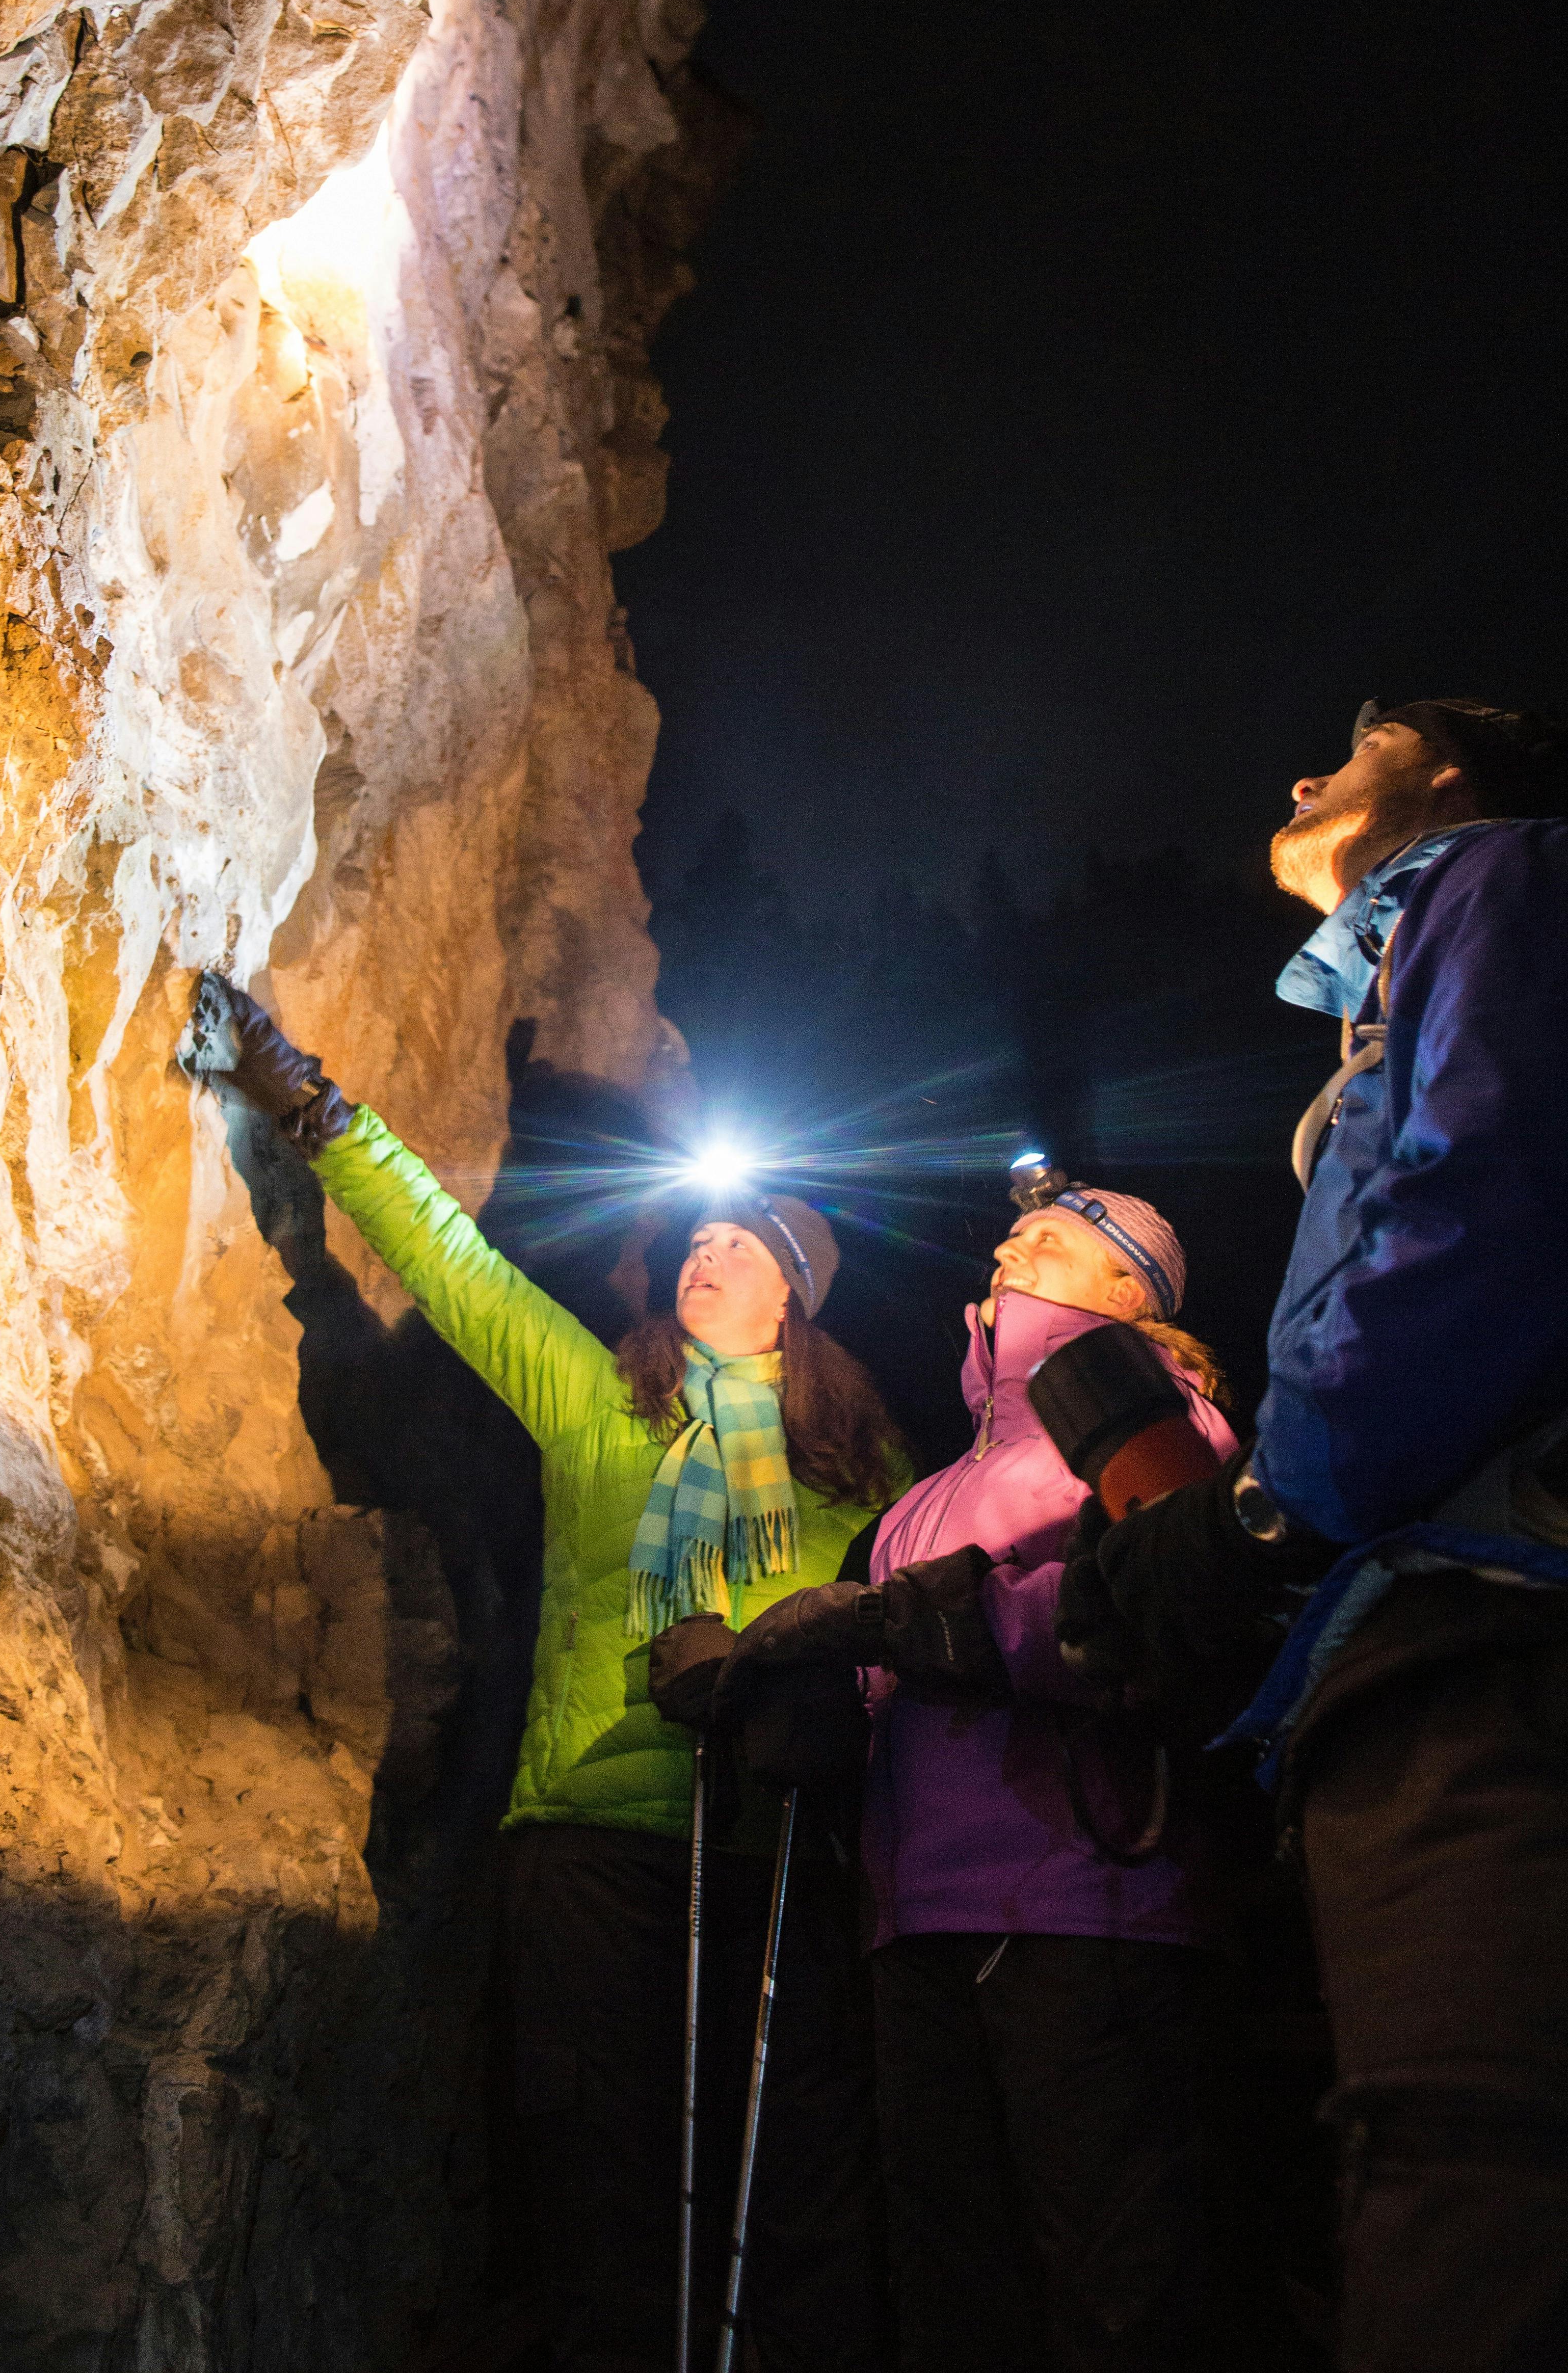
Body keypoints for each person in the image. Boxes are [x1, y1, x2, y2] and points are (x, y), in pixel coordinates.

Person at [184, 975, 900, 2373]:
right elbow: (454, 1264)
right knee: (600, 2181)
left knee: (786, 2182)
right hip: (586, 1844)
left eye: (740, 1246)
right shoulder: (600, 1401)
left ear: (795, 1299)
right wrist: (310, 1104)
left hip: (773, 1849)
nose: (704, 1251)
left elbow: (920, 1620)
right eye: (693, 1235)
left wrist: (791, 1680)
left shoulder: (860, 1476)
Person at [1057, 696, 1568, 2373]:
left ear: (1461, 774)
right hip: (1432, 1626)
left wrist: (1274, 1511)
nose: (1299, 773)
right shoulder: (1415, 968)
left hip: (1489, 1647)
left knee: (1466, 2172)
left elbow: (1476, 1194)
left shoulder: (1498, 883)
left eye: (1366, 737)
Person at [706, 1176, 1238, 2372]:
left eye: (1047, 1240)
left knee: (1112, 2279)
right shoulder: (935, 1490)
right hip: (920, 1915)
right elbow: (889, 1665)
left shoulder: (1152, 1414)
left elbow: (1170, 1611)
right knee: (955, 2277)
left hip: (1085, 1897)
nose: (1010, 1250)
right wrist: (787, 1687)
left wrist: (950, 1628)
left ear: (1129, 1290)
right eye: (1008, 1237)